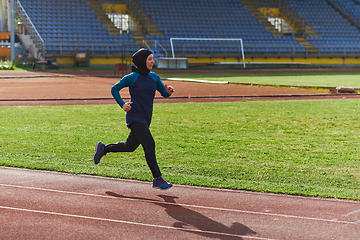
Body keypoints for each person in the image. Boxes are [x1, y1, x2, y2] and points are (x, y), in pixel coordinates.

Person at [93, 48, 174, 190]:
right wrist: (123, 104)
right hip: (135, 117)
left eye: (152, 59)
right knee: (150, 144)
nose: (152, 62)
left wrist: (168, 92)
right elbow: (114, 89)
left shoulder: (154, 77)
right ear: (142, 61)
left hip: (146, 118)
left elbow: (163, 93)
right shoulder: (132, 77)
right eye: (149, 59)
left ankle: (104, 149)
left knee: (129, 147)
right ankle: (157, 178)